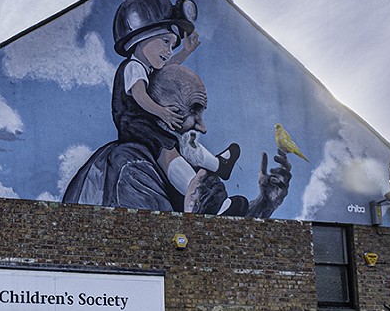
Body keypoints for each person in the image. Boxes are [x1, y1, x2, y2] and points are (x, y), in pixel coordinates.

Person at [65, 62, 292, 217]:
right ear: (161, 110)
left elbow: (227, 235)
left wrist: (264, 204)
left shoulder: (179, 168)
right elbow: (162, 256)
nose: (202, 127)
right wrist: (198, 218)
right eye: (193, 111)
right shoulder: (132, 168)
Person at [110, 0, 241, 209]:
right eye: (165, 42)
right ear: (141, 39)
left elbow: (170, 66)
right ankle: (197, 191)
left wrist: (187, 51)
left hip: (146, 121)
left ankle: (218, 166)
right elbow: (140, 96)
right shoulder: (133, 67)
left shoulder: (148, 66)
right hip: (134, 123)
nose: (169, 51)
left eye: (172, 45)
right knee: (166, 147)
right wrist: (162, 112)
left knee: (180, 143)